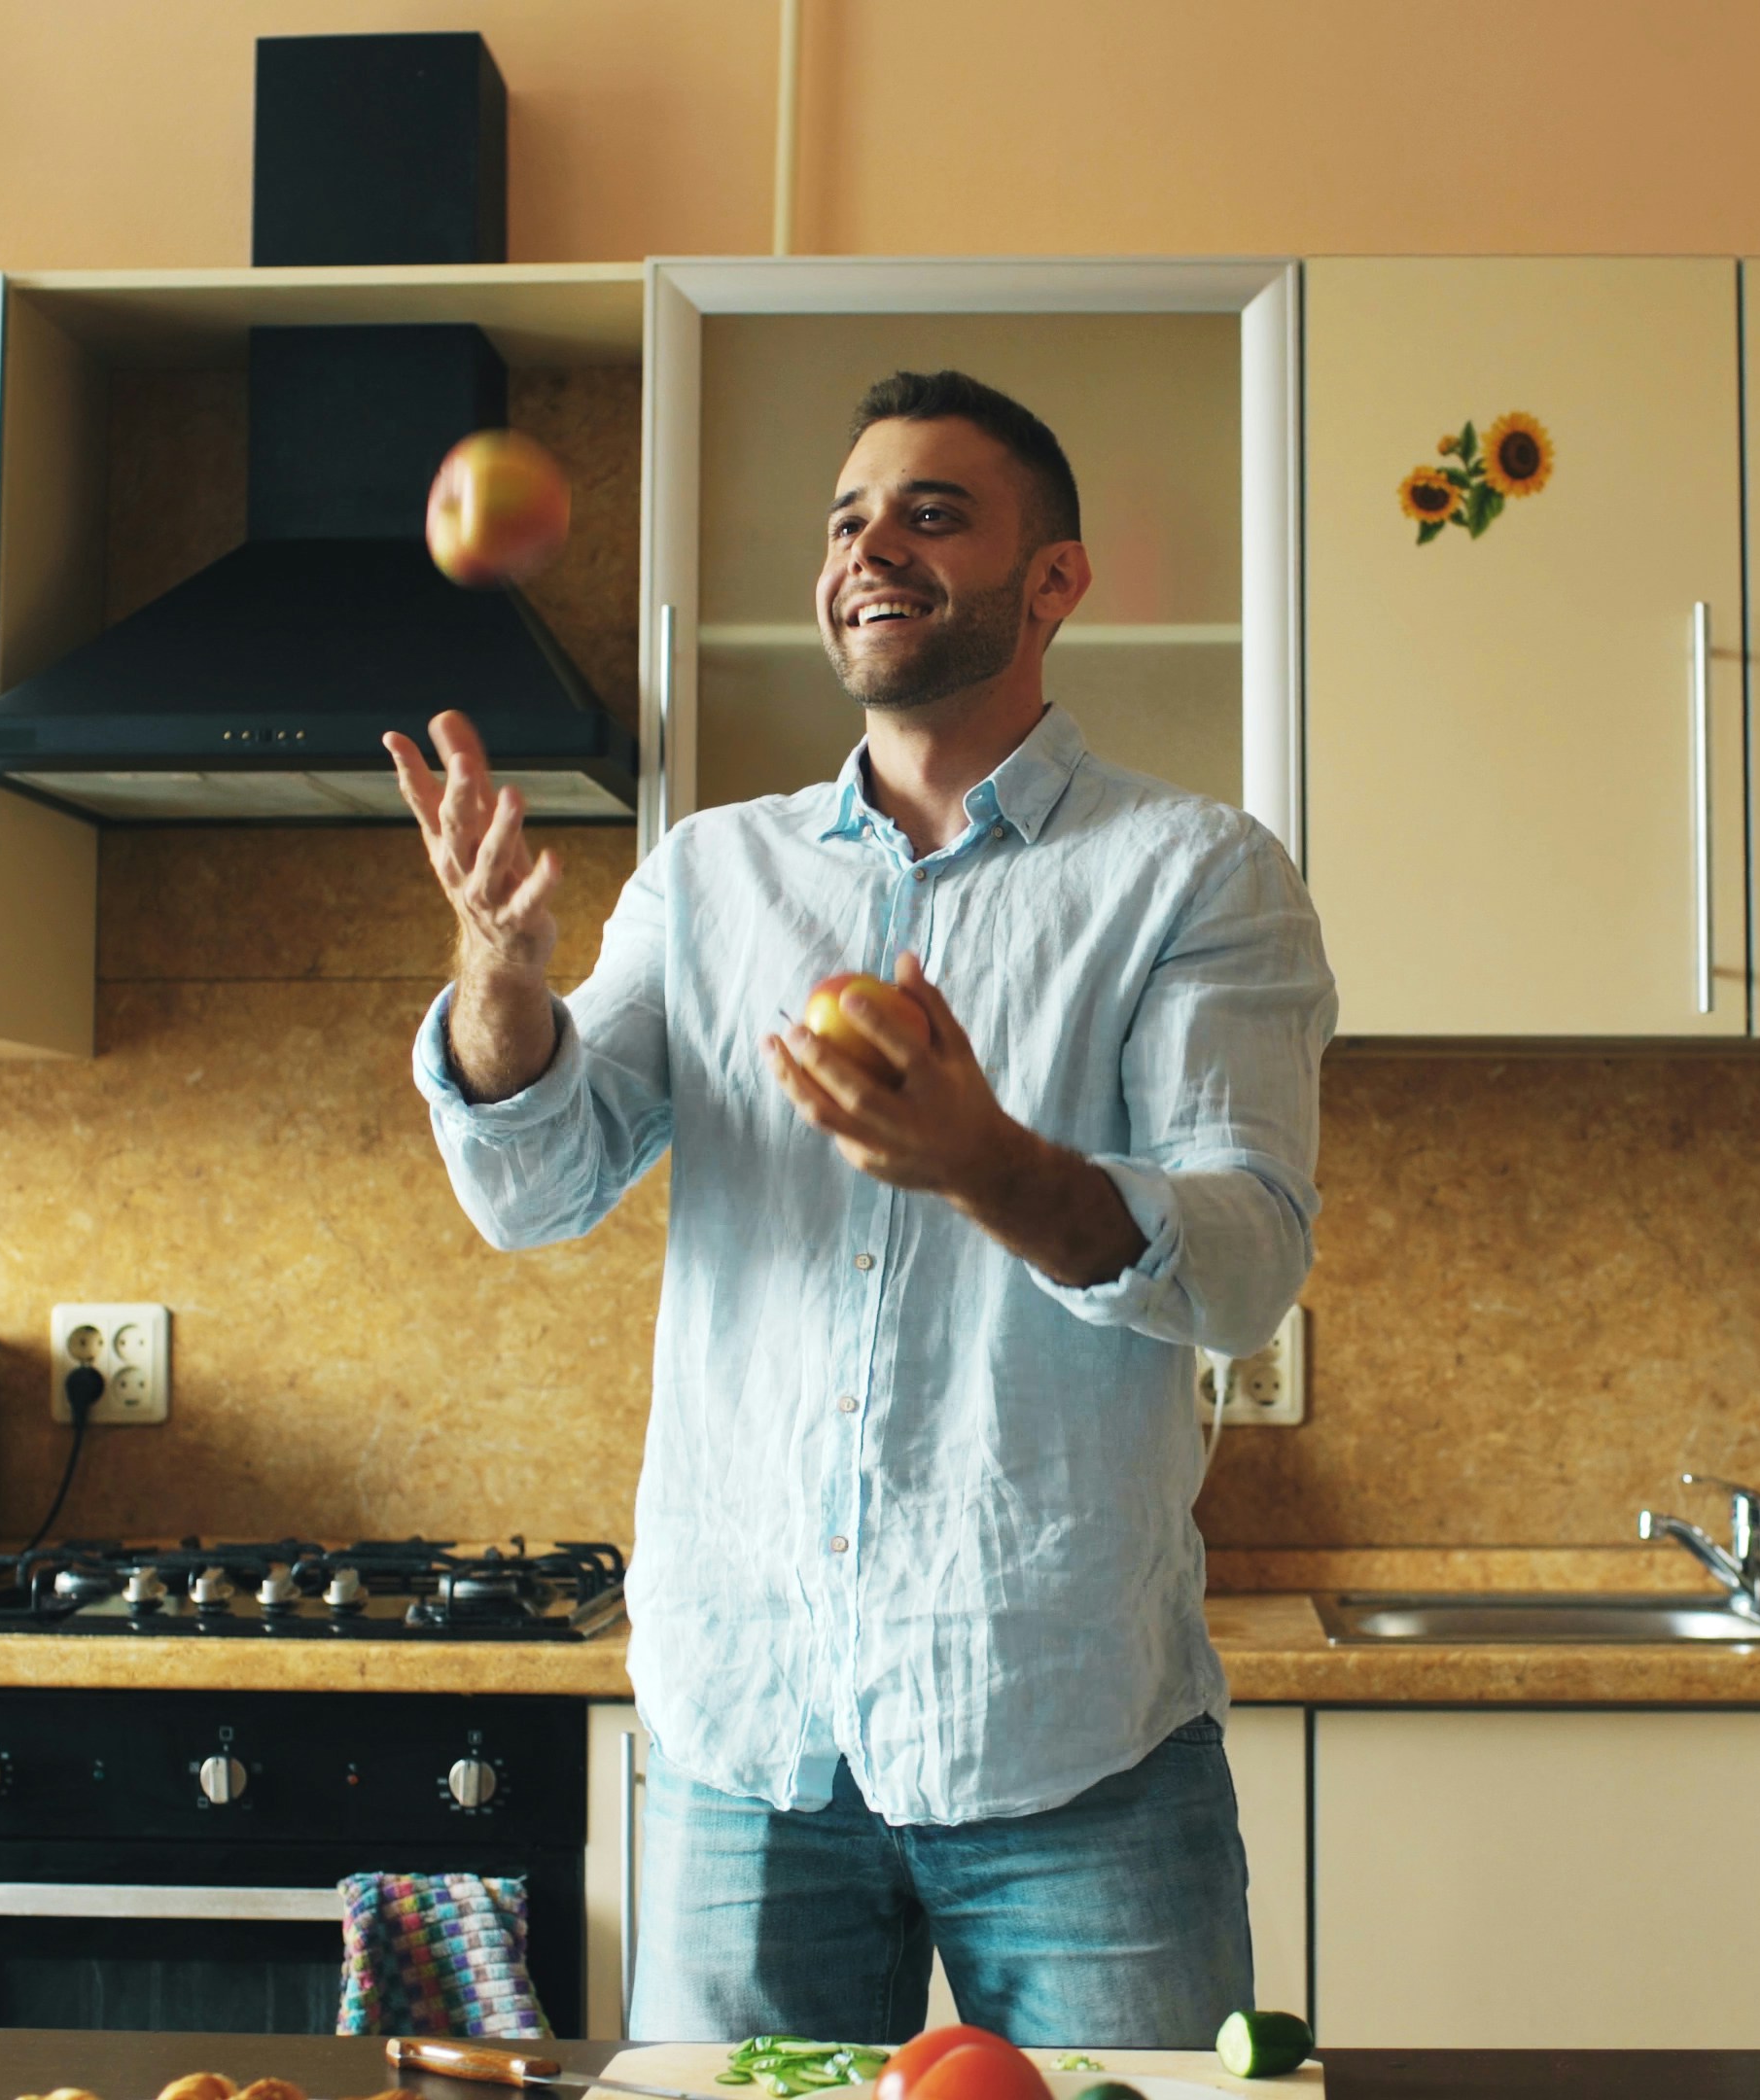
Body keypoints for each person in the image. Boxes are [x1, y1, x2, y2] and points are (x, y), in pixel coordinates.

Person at [390, 368, 1333, 2046]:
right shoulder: (710, 876)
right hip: (745, 1744)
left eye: (932, 511)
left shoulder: (1193, 872)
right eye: (845, 518)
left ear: (1057, 581)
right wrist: (497, 973)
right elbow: (538, 1186)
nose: (868, 545)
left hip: (1066, 1740)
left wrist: (994, 1164)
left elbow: (1245, 1260)